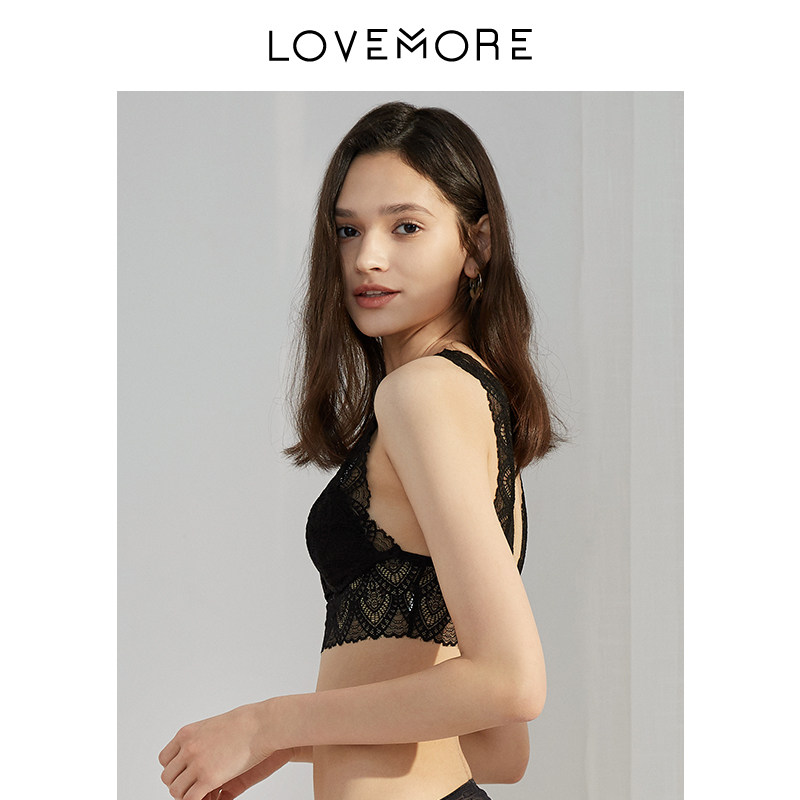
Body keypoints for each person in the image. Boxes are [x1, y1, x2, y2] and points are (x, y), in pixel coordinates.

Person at [159, 101, 560, 800]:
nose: (367, 257)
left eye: (406, 226)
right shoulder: (475, 400)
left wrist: (265, 725)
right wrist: (289, 744)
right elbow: (501, 750)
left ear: (477, 245)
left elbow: (511, 684)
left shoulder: (421, 395)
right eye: (349, 230)